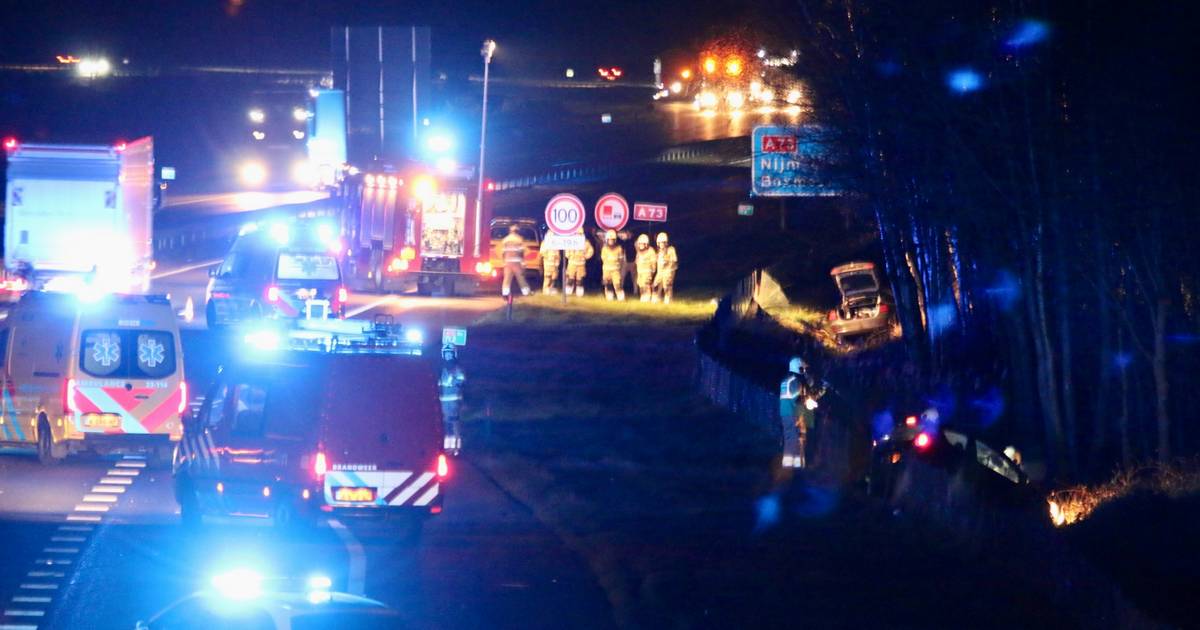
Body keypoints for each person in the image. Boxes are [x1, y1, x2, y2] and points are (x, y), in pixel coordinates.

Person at [778, 357, 826, 469]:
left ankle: (788, 470)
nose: (804, 371)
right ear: (798, 368)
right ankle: (797, 470)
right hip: (795, 415)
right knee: (799, 441)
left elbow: (802, 397)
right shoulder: (795, 382)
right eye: (802, 368)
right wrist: (814, 394)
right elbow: (801, 398)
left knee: (790, 442)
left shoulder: (787, 380)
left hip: (787, 415)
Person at [439, 344, 465, 455]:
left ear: (454, 354)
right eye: (446, 353)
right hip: (443, 401)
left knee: (454, 424)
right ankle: (447, 448)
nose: (448, 355)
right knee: (445, 425)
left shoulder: (457, 369)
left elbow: (461, 381)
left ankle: (456, 448)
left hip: (454, 401)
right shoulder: (441, 369)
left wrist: (452, 381)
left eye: (450, 353)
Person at [500, 224, 530, 297]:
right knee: (521, 278)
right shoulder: (519, 239)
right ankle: (526, 293)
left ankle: (505, 294)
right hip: (517, 263)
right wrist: (523, 262)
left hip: (508, 263)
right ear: (517, 231)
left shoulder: (505, 240)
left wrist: (504, 262)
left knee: (507, 279)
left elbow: (503, 252)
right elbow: (521, 252)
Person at [564, 230, 594, 297]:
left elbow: (591, 251)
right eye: (577, 234)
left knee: (580, 279)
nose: (578, 235)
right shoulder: (571, 241)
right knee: (570, 277)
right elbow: (566, 250)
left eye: (579, 234)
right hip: (572, 263)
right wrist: (569, 256)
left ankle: (579, 291)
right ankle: (569, 290)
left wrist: (585, 256)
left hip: (581, 264)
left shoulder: (586, 242)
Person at [599, 229, 626, 301]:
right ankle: (609, 296)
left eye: (612, 240)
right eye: (609, 240)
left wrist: (618, 268)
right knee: (607, 283)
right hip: (607, 269)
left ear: (615, 240)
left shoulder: (619, 248)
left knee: (617, 283)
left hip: (615, 270)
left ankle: (620, 297)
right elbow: (603, 259)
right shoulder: (604, 248)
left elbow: (621, 260)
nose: (611, 241)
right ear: (607, 240)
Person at [653, 232, 678, 304]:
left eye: (663, 243)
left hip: (668, 271)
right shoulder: (659, 251)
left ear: (666, 242)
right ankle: (657, 298)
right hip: (660, 271)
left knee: (667, 285)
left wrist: (668, 264)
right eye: (660, 243)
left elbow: (674, 261)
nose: (661, 244)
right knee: (655, 284)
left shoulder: (671, 249)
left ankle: (668, 299)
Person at [634, 234, 657, 302]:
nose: (641, 245)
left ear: (646, 244)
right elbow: (637, 261)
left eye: (642, 244)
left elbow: (653, 263)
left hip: (647, 271)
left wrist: (652, 271)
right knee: (640, 285)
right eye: (640, 244)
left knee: (646, 284)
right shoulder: (639, 252)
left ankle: (648, 296)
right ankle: (643, 296)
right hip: (640, 271)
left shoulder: (651, 251)